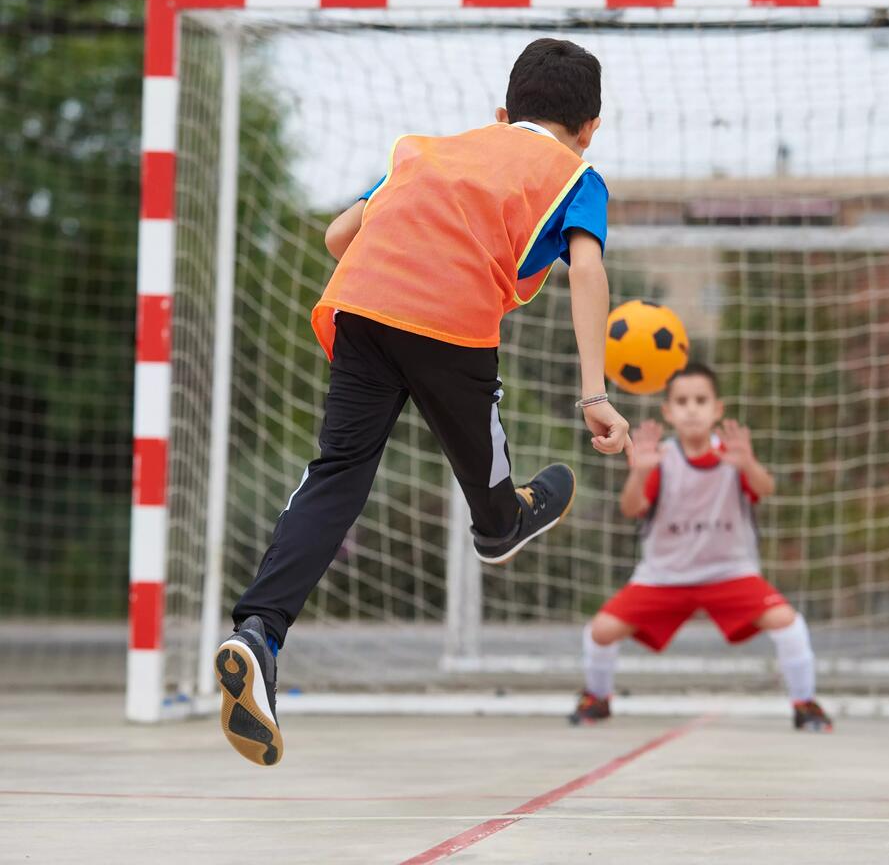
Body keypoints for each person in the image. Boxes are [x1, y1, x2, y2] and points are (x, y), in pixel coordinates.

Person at [214, 38, 632, 766]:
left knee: (338, 470)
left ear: (503, 113)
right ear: (590, 127)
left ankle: (258, 632)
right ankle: (505, 519)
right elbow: (587, 271)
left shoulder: (428, 149)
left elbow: (338, 233)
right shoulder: (578, 174)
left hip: (362, 305)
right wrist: (593, 391)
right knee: (493, 513)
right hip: (449, 324)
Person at [569, 362, 832, 733]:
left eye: (700, 400)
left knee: (789, 625)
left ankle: (805, 703)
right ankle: (597, 698)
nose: (692, 408)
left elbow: (766, 489)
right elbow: (631, 508)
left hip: (729, 573)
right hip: (664, 576)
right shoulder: (659, 458)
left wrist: (749, 464)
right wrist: (640, 471)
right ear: (668, 411)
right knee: (600, 630)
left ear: (717, 409)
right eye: (682, 401)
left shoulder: (733, 454)